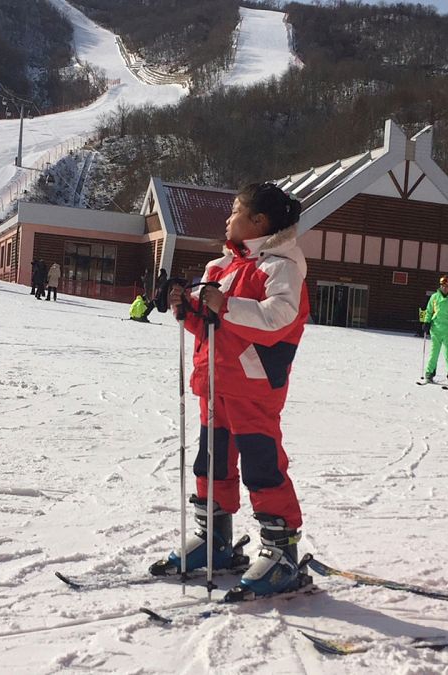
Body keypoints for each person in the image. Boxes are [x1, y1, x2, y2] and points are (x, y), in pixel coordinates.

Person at [156, 182, 310, 600]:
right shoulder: (219, 267)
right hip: (213, 383)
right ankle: (214, 539)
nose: (227, 219)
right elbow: (211, 328)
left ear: (258, 222)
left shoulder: (281, 266)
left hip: (253, 386)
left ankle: (281, 552)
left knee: (262, 466)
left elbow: (279, 317)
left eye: (235, 212)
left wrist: (223, 306)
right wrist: (185, 309)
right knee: (211, 463)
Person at [421, 276, 448, 386]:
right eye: (442, 286)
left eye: (446, 286)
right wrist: (426, 322)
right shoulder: (434, 297)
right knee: (433, 353)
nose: (444, 288)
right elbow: (429, 310)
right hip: (435, 329)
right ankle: (429, 374)